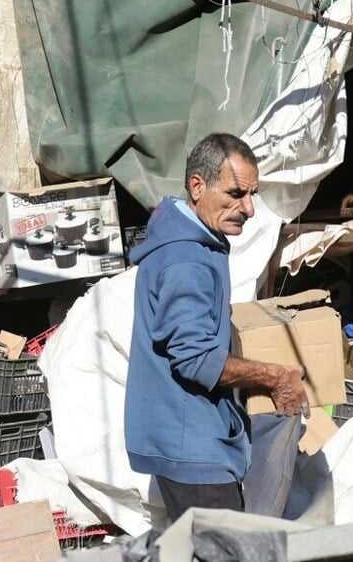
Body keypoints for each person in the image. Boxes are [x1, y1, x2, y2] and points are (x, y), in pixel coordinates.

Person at [124, 132, 309, 523]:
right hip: (191, 447)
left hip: (183, 434)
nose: (249, 209)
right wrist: (274, 376)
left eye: (252, 195)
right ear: (197, 186)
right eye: (236, 194)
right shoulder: (187, 258)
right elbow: (195, 359)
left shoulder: (192, 241)